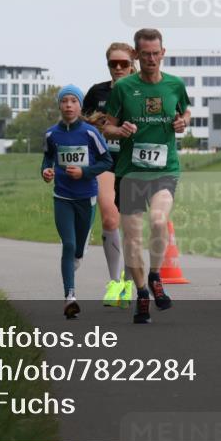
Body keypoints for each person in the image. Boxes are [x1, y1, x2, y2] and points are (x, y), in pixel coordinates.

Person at [103, 28, 191, 325]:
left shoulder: (175, 85)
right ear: (137, 56)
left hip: (165, 169)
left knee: (157, 221)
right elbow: (107, 127)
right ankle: (142, 292)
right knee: (131, 238)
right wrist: (120, 130)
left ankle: (155, 275)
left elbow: (186, 113)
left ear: (163, 53)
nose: (151, 59)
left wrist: (182, 122)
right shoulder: (124, 88)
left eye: (156, 53)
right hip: (130, 173)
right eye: (146, 55)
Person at [42, 85, 113, 319]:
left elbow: (106, 161)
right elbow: (47, 159)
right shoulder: (52, 134)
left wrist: (84, 172)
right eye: (64, 101)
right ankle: (70, 297)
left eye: (73, 101)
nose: (69, 105)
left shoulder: (90, 133)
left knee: (79, 249)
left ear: (80, 106)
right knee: (69, 245)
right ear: (60, 105)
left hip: (87, 196)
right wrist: (46, 173)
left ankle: (78, 256)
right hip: (62, 196)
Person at [83, 41, 137, 307]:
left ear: (132, 64)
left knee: (130, 224)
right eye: (112, 64)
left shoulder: (143, 90)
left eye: (123, 64)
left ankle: (129, 280)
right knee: (109, 216)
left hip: (134, 162)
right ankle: (114, 282)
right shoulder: (97, 92)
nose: (118, 68)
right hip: (105, 161)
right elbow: (83, 126)